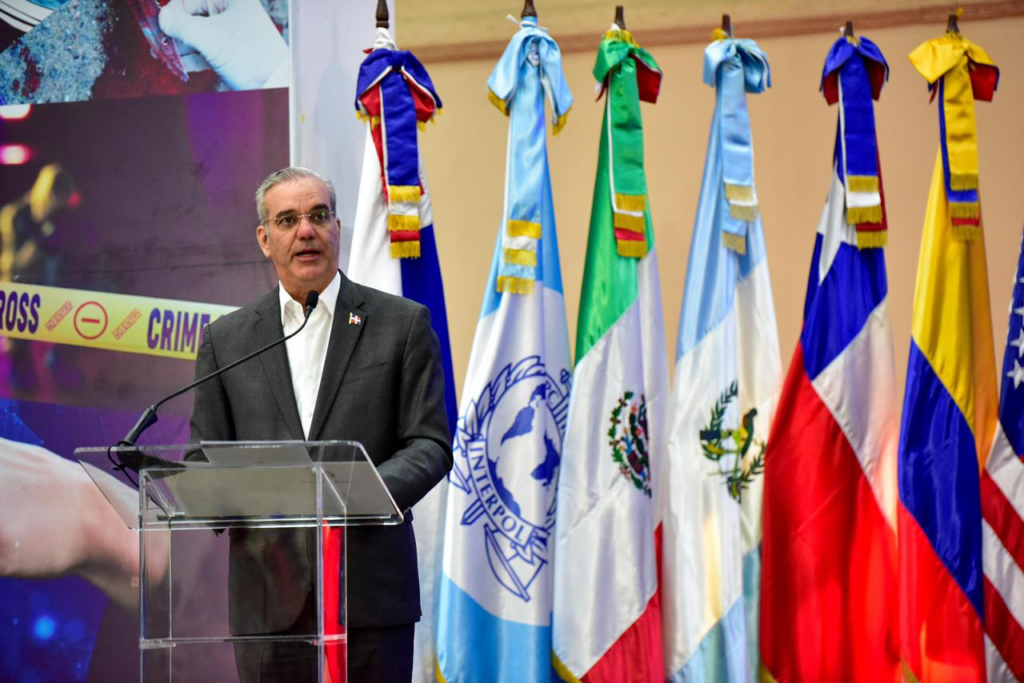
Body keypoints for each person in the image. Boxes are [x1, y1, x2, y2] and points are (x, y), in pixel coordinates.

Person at [189, 166, 453, 682]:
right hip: (268, 603)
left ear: (337, 228)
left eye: (318, 215)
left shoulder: (401, 324)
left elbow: (430, 443)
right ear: (265, 239)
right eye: (287, 220)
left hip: (370, 598)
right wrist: (223, 493)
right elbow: (203, 458)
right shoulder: (227, 340)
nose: (305, 230)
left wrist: (353, 495)